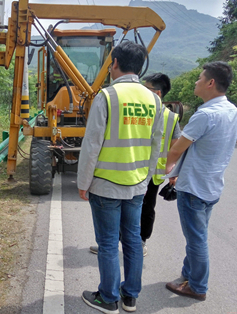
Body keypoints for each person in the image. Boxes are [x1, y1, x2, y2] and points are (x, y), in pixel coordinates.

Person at [78, 41, 164, 313]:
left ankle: (108, 297)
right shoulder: (154, 99)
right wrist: (145, 178)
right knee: (133, 240)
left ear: (114, 63)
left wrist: (83, 183)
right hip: (137, 185)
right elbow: (155, 144)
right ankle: (130, 297)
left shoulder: (108, 96)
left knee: (107, 243)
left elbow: (92, 145)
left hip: (105, 186)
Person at [165, 61, 237, 301]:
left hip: (194, 187)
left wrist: (169, 169)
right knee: (198, 235)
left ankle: (197, 286)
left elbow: (177, 149)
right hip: (212, 185)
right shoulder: (232, 111)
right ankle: (188, 275)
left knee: (196, 240)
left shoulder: (205, 114)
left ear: (210, 83)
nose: (196, 82)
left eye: (199, 78)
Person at [89, 73, 181, 257]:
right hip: (133, 168)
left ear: (158, 93)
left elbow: (176, 147)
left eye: (146, 88)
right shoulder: (139, 108)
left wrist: (174, 171)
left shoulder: (169, 117)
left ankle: (139, 242)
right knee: (123, 210)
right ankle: (111, 242)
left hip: (153, 173)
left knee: (146, 208)